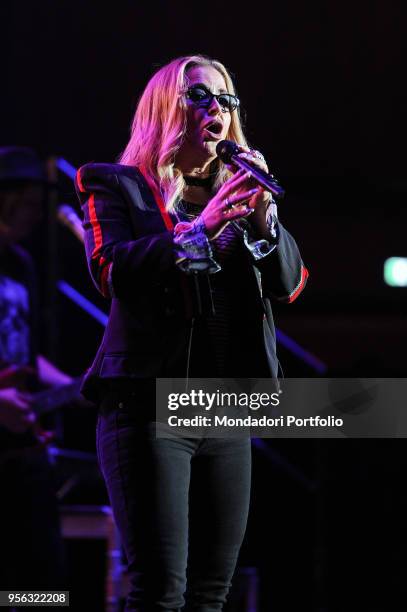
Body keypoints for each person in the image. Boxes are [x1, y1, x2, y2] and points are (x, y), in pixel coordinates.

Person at [75, 54, 309, 611]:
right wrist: (199, 228)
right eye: (201, 96)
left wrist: (263, 219)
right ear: (166, 110)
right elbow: (111, 272)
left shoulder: (242, 192)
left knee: (211, 593)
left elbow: (289, 285)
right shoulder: (117, 186)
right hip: (149, 405)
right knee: (160, 592)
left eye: (226, 99)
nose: (218, 109)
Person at [0, 146, 69, 593]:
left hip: (21, 453)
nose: (35, 216)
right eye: (26, 204)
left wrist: (73, 386)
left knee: (42, 582)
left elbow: (26, 356)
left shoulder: (20, 265)